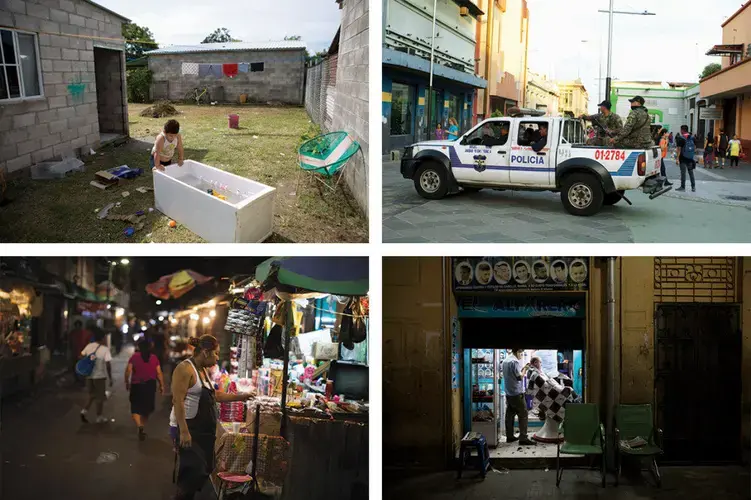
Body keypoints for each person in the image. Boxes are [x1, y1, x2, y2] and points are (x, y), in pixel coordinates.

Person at [170, 335, 253, 500]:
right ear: (206, 352)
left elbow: (215, 395)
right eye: (215, 353)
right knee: (192, 471)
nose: (217, 357)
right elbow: (177, 400)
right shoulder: (185, 369)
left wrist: (241, 396)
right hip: (190, 429)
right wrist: (184, 431)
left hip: (203, 432)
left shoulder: (203, 371)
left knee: (201, 470)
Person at [125, 338, 165, 441]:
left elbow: (128, 370)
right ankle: (142, 424)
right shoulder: (154, 358)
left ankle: (139, 425)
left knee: (135, 406)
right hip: (149, 386)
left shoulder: (134, 357)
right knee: (148, 408)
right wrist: (162, 385)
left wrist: (127, 382)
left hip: (137, 385)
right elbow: (159, 373)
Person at [501, 349, 535, 446]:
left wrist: (523, 368)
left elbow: (513, 374)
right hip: (516, 393)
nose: (521, 355)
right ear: (517, 352)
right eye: (521, 353)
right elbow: (519, 377)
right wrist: (526, 369)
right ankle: (523, 438)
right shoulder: (514, 361)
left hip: (509, 393)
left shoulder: (505, 361)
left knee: (510, 415)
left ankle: (510, 436)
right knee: (523, 415)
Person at [79, 328, 113, 424]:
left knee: (92, 395)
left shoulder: (89, 346)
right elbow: (108, 365)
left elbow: (81, 356)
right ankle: (99, 417)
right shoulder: (104, 349)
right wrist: (110, 378)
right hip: (99, 376)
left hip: (89, 375)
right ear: (102, 338)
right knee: (100, 397)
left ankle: (84, 411)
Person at [675, 125, 697, 193]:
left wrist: (677, 159)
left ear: (682, 130)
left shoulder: (680, 138)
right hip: (690, 158)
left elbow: (678, 149)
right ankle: (693, 187)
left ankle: (682, 187)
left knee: (683, 173)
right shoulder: (692, 137)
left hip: (683, 158)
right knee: (691, 173)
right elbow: (695, 147)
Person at [69, 320, 91, 384]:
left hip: (82, 354)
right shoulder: (72, 333)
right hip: (75, 353)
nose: (77, 328)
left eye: (78, 326)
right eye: (76, 326)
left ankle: (82, 381)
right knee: (75, 367)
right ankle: (78, 380)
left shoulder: (85, 333)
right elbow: (70, 344)